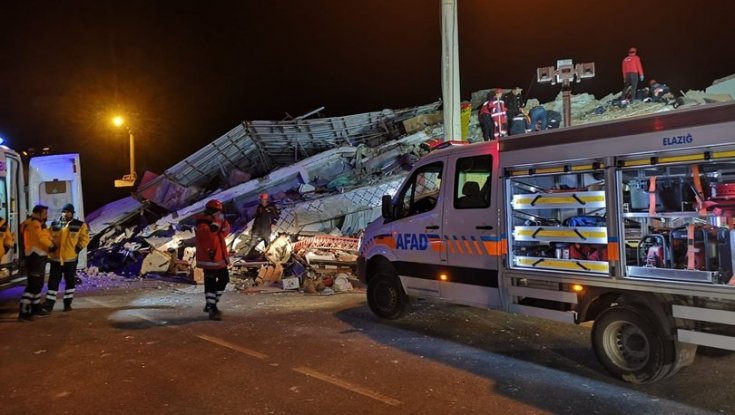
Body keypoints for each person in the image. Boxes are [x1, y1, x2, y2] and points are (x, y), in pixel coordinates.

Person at [43, 203, 90, 312]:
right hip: (56, 260)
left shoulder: (80, 225)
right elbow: (48, 237)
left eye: (68, 212)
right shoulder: (55, 224)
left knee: (70, 282)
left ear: (72, 213)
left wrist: (78, 249)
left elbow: (85, 238)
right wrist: (50, 248)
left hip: (70, 259)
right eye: (64, 211)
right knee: (53, 282)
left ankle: (67, 304)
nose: (66, 213)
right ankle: (49, 305)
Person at [195, 199, 231, 320]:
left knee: (224, 279)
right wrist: (217, 222)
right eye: (217, 211)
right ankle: (212, 308)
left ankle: (211, 303)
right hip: (209, 258)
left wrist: (222, 222)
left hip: (219, 257)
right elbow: (209, 236)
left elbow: (225, 232)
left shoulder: (216, 221)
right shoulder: (202, 223)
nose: (218, 214)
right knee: (210, 283)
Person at [19, 205, 56, 321]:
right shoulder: (34, 224)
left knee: (38, 284)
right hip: (35, 257)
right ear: (38, 213)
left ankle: (35, 307)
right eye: (45, 213)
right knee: (33, 285)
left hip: (39, 256)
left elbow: (46, 236)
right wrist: (51, 246)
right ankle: (24, 312)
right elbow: (40, 238)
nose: (46, 216)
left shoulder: (37, 223)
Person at [243, 193, 280, 258]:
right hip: (257, 227)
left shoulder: (271, 207)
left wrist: (274, 223)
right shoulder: (259, 207)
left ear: (266, 200)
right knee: (253, 240)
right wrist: (253, 226)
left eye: (264, 200)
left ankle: (269, 255)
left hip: (266, 227)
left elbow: (277, 216)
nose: (262, 201)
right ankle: (249, 254)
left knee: (267, 241)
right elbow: (257, 217)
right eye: (261, 200)